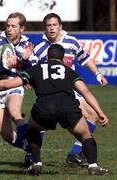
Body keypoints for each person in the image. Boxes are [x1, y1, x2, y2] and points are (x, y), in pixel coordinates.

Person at [0, 44, 109, 176]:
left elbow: (8, 83)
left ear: (47, 57)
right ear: (63, 60)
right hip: (68, 108)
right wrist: (100, 113)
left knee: (32, 130)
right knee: (85, 136)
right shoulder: (70, 71)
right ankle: (93, 166)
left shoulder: (35, 69)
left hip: (44, 108)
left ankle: (36, 163)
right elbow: (86, 93)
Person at [27, 13, 108, 167]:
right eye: (48, 25)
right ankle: (32, 155)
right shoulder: (39, 48)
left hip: (71, 88)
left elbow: (84, 59)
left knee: (93, 115)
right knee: (42, 121)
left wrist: (97, 74)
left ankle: (75, 153)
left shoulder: (72, 42)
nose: (51, 28)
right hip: (50, 91)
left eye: (54, 25)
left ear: (60, 26)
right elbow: (33, 70)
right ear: (45, 28)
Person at [0, 12, 35, 164]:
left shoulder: (28, 46)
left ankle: (32, 152)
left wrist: (24, 61)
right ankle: (30, 147)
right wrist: (6, 67)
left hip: (13, 86)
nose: (9, 29)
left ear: (22, 28)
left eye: (13, 26)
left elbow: (32, 71)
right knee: (7, 135)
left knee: (14, 112)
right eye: (8, 26)